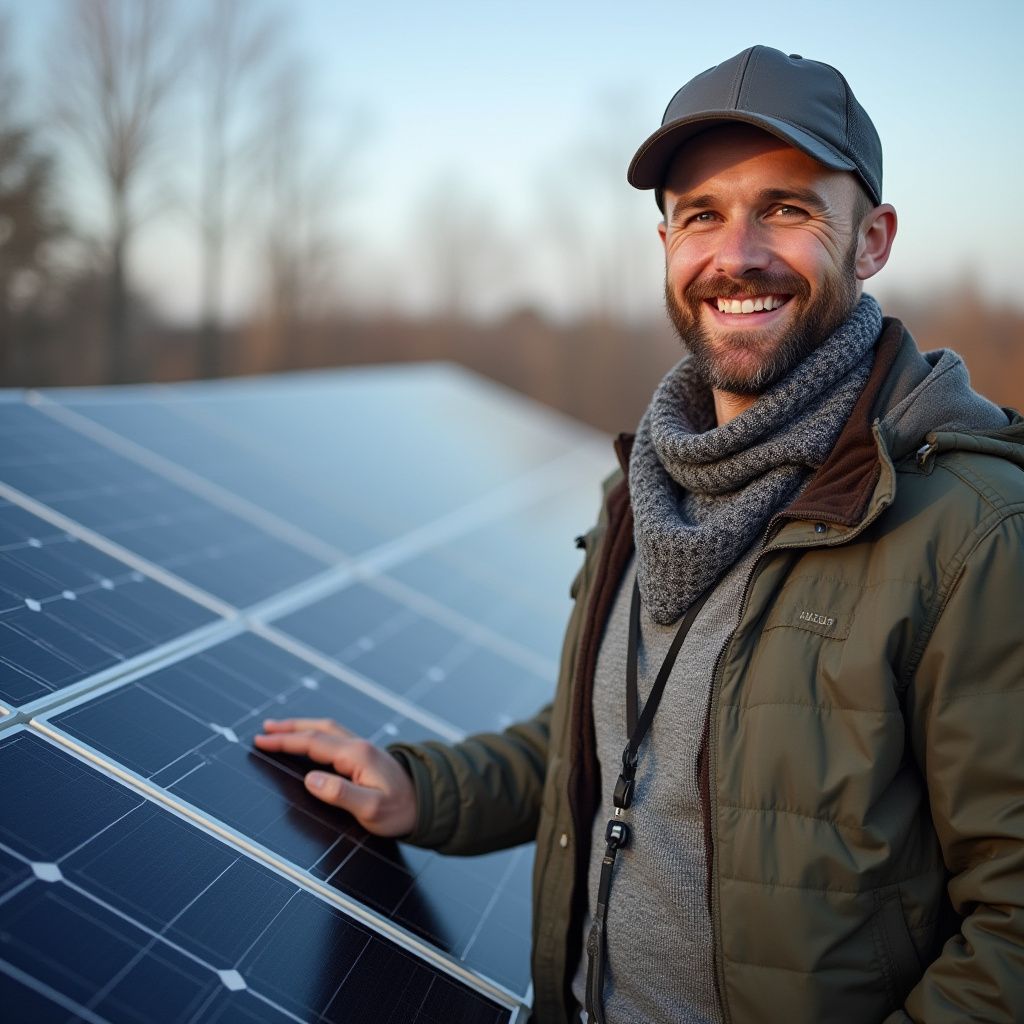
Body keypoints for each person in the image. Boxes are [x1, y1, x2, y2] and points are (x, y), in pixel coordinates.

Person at [253, 46, 1024, 1024]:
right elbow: (605, 741)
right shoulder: (645, 488)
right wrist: (422, 789)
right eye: (701, 214)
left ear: (870, 240)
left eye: (785, 208)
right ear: (664, 240)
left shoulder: (965, 528)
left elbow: (1012, 928)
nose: (734, 255)